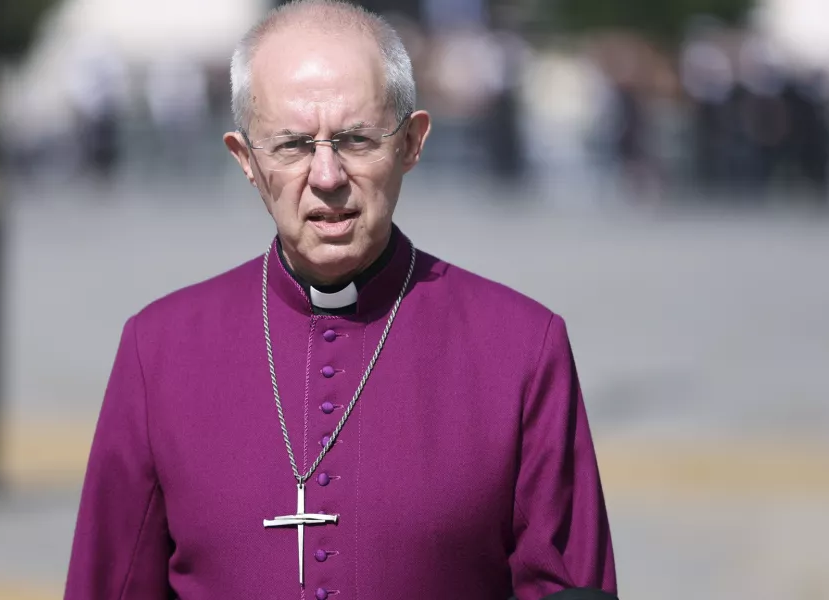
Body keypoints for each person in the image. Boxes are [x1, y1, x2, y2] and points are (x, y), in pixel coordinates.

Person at [63, 2, 616, 599]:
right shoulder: (160, 350)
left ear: (410, 143)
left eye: (355, 139)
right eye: (294, 146)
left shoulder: (520, 348)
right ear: (246, 160)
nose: (327, 176)